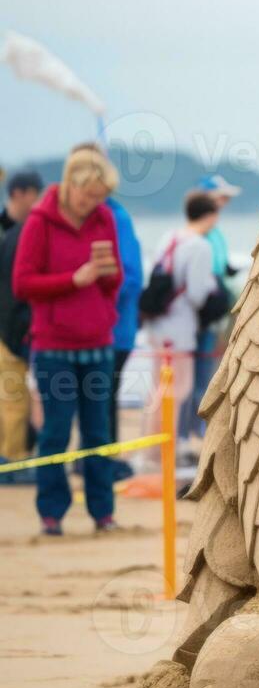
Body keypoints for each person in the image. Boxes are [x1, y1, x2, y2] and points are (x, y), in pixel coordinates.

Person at [11, 149, 122, 535]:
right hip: (53, 346)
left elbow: (114, 280)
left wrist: (104, 275)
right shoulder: (40, 223)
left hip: (97, 343)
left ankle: (103, 513)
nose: (93, 203)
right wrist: (72, 279)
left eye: (98, 197)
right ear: (71, 185)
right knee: (56, 432)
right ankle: (51, 514)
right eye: (87, 195)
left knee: (98, 434)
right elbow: (22, 283)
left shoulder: (104, 217)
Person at [69, 143, 144, 479]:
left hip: (113, 332)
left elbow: (129, 276)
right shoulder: (71, 218)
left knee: (102, 399)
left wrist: (92, 305)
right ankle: (90, 459)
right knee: (87, 399)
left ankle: (103, 463)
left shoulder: (115, 217)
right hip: (85, 332)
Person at [143, 191, 220, 456]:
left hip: (157, 324)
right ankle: (167, 453)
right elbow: (197, 294)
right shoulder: (200, 245)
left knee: (158, 388)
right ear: (210, 215)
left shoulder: (170, 236)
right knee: (178, 389)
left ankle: (153, 450)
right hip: (179, 327)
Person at [182, 173, 240, 444]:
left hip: (213, 310)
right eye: (221, 198)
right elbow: (199, 280)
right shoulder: (200, 236)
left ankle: (198, 429)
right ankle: (195, 430)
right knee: (199, 373)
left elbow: (220, 267)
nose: (225, 203)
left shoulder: (212, 233)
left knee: (208, 369)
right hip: (202, 315)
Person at [0, 170, 43, 471]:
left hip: (23, 327)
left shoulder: (30, 229)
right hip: (10, 328)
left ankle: (17, 455)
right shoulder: (16, 232)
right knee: (13, 398)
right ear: (19, 193)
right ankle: (12, 461)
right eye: (34, 195)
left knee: (19, 397)